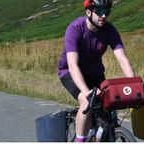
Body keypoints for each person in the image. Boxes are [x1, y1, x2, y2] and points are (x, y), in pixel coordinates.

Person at [57, 0, 135, 142]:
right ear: (88, 12)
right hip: (70, 71)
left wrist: (133, 84)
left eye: (107, 12)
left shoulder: (110, 30)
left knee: (108, 108)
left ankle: (97, 134)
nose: (104, 16)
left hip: (95, 72)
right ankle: (79, 140)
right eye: (99, 12)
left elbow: (122, 59)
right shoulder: (75, 28)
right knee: (87, 102)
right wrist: (86, 92)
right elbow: (73, 65)